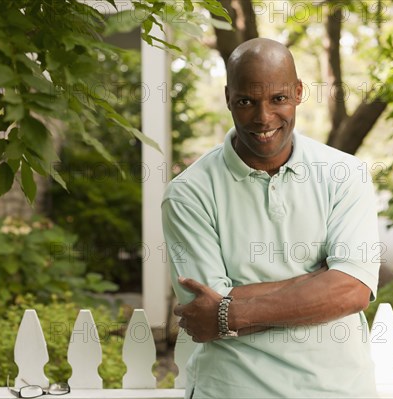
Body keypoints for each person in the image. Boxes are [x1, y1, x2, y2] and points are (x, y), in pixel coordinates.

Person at [162, 38, 381, 398]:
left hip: (338, 390)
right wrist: (320, 281)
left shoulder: (346, 174)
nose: (263, 118)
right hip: (232, 390)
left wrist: (229, 314)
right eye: (247, 101)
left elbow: (352, 291)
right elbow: (201, 310)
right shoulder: (189, 192)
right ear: (228, 97)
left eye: (278, 99)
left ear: (297, 93)